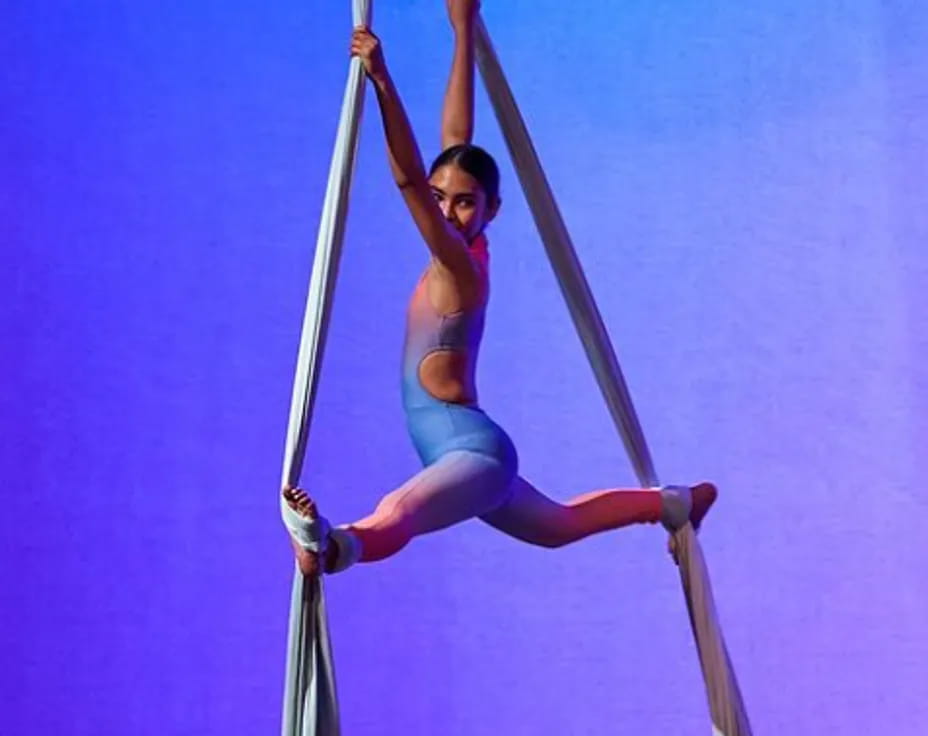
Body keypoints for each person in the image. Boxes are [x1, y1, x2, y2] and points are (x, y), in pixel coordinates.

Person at [281, 0, 716, 576]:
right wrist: (462, 28)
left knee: (400, 512)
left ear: (492, 211)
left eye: (465, 203)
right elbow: (456, 141)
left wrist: (382, 81)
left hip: (472, 454)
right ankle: (677, 502)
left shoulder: (460, 267)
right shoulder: (464, 244)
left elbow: (412, 177)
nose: (449, 211)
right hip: (468, 452)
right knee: (558, 527)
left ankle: (332, 548)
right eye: (445, 200)